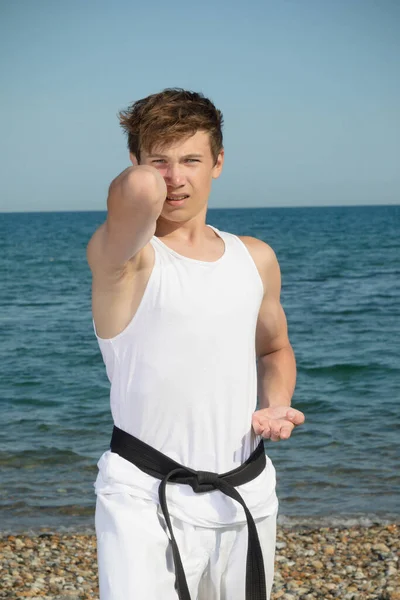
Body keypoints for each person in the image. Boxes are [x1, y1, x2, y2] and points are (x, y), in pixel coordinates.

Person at [87, 88, 305, 600]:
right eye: (159, 160)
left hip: (244, 493)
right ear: (135, 162)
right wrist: (149, 170)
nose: (175, 178)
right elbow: (139, 192)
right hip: (143, 497)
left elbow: (273, 349)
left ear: (219, 162)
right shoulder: (123, 260)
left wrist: (276, 404)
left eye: (191, 160)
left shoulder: (255, 258)